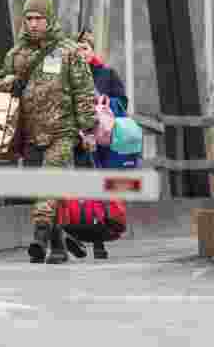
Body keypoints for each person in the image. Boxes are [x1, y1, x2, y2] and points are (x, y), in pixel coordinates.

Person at [0, 0, 95, 264]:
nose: (34, 24)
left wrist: (88, 129)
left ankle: (40, 235)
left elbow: (84, 92)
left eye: (39, 18)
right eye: (29, 19)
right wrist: (10, 82)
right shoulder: (17, 54)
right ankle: (57, 247)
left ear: (49, 19)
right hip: (32, 132)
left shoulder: (68, 52)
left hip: (63, 130)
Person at [66, 28, 131, 261]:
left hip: (101, 140)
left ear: (92, 50)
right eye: (77, 48)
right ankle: (75, 237)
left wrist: (104, 102)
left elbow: (122, 103)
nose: (81, 52)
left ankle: (99, 241)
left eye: (85, 48)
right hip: (76, 139)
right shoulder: (67, 75)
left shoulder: (106, 74)